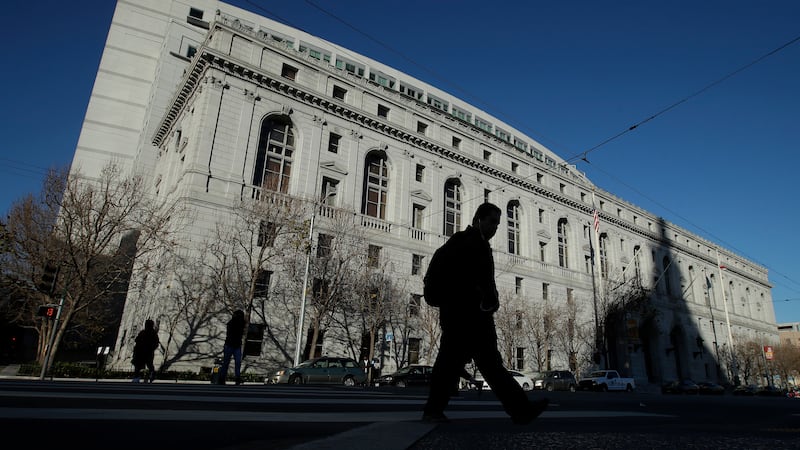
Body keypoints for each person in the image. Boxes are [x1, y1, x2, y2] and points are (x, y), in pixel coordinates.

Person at [422, 203, 548, 424]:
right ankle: (433, 410)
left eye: (498, 224)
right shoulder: (463, 242)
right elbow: (462, 281)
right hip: (462, 318)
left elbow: (485, 283)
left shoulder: (481, 245)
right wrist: (478, 295)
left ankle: (521, 410)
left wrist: (492, 300)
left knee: (483, 366)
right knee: (454, 364)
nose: (495, 228)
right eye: (492, 222)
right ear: (479, 219)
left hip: (475, 319)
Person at [220, 309, 246, 385]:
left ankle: (223, 378)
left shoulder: (233, 323)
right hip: (233, 345)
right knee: (235, 363)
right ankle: (235, 378)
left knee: (227, 362)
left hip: (231, 345)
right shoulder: (235, 323)